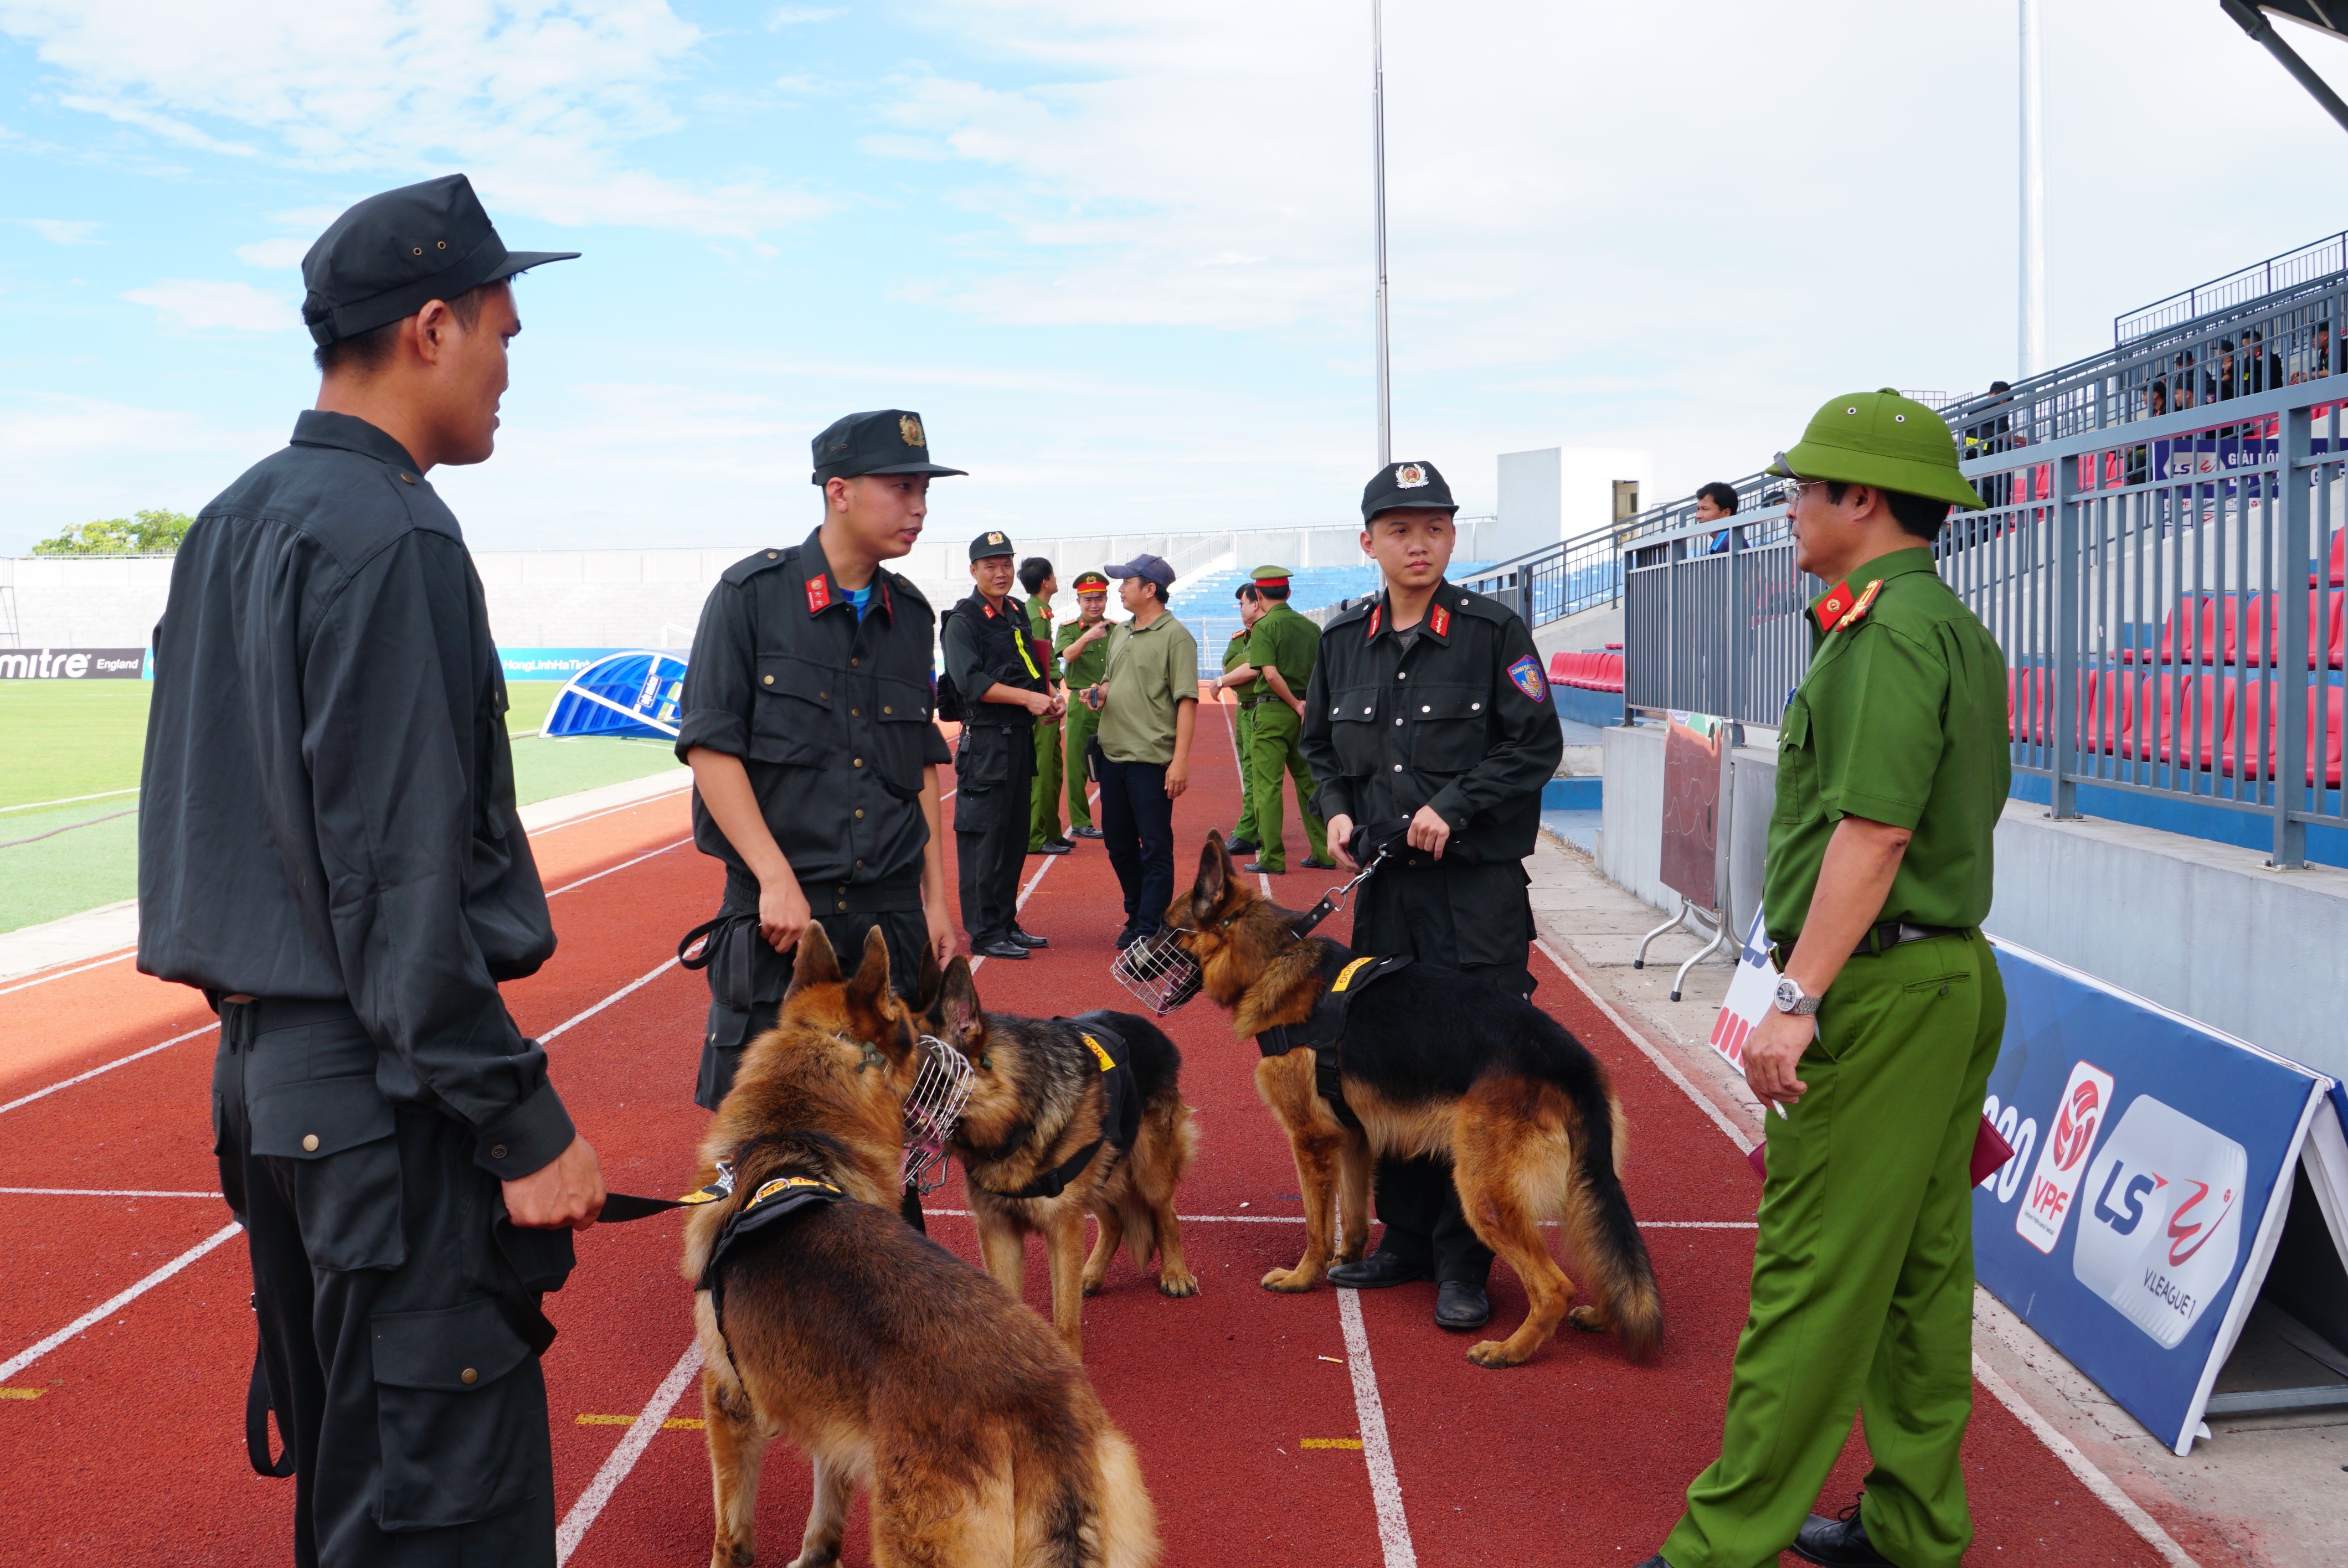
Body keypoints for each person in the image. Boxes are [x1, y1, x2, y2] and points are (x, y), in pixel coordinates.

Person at [138, 174, 601, 1568]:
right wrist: (522, 1124)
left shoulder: (234, 519)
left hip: (274, 1094)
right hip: (387, 1099)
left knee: (358, 1490)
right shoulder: (393, 534)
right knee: (437, 1522)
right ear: (429, 328)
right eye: (505, 334)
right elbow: (397, 889)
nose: (514, 368)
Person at [1636, 391, 2008, 1568]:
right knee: (1915, 1273)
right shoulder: (1931, 622)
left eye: (1805, 489)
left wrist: (1793, 999)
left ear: (1863, 500)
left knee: (1810, 1275)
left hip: (1872, 993)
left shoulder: (1887, 634)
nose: (1790, 509)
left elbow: (1871, 833)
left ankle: (1716, 1545)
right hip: (1937, 979)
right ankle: (1911, 1524)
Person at [1303, 460, 1563, 1333]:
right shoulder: (1341, 642)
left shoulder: (1493, 634)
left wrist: (1452, 807)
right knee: (1389, 1064)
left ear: (1452, 538)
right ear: (1371, 542)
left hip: (1475, 899)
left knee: (1475, 1077)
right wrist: (1336, 814)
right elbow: (1320, 754)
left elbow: (1534, 746)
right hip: (1388, 901)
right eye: (1401, 530)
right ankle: (1406, 1239)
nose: (1420, 544)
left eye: (1436, 528)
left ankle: (1466, 1259)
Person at [674, 409, 961, 1110]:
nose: (919, 508)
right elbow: (711, 748)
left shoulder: (913, 616)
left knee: (879, 1150)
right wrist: (773, 878)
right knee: (761, 1154)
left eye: (925, 490)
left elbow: (918, 764)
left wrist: (937, 902)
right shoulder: (753, 598)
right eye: (901, 488)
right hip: (782, 928)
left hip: (885, 932)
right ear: (839, 491)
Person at [943, 532, 1061, 960]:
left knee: (1012, 838)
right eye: (990, 565)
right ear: (973, 571)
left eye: (1006, 564)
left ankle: (1005, 922)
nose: (1001, 573)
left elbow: (1028, 667)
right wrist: (1028, 699)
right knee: (983, 843)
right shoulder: (962, 621)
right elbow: (969, 682)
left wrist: (1047, 697)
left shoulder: (1015, 612)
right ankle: (984, 932)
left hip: (1018, 740)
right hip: (987, 743)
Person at [1075, 554, 1198, 947]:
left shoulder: (1176, 636)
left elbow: (1186, 701)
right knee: (1118, 844)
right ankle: (1138, 913)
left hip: (1151, 760)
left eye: (1127, 581)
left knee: (1156, 846)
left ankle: (1149, 927)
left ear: (1150, 589)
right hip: (1113, 757)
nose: (1120, 588)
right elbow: (1112, 681)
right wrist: (1097, 693)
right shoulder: (1120, 631)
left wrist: (1180, 762)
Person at [1228, 564, 1333, 874]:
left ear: (1258, 595)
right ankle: (1325, 853)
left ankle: (1272, 858)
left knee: (1267, 787)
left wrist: (1293, 703)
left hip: (1274, 712)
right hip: (1306, 713)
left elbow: (1270, 675)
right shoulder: (1310, 628)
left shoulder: (1264, 627)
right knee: (1308, 784)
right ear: (1288, 592)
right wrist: (1304, 706)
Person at [1019, 556, 1075, 858]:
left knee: (1053, 767)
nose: (1056, 580)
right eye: (1053, 576)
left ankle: (1051, 830)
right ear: (1046, 582)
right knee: (1042, 770)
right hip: (1042, 700)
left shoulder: (1038, 612)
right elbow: (1037, 665)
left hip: (1044, 696)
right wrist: (1054, 697)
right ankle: (1036, 836)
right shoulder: (1037, 616)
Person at [1055, 569, 1114, 839]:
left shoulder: (1118, 630)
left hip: (1111, 704)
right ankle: (1080, 822)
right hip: (1081, 703)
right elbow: (1068, 655)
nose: (1094, 605)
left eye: (1099, 599)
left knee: (1116, 763)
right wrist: (1089, 636)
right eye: (1088, 599)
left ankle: (1117, 819)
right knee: (1078, 767)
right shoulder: (1068, 630)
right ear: (1079, 602)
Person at [1218, 582, 1268, 856]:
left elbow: (1252, 669)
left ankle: (1251, 830)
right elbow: (1228, 664)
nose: (1240, 609)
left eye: (1242, 604)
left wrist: (1224, 681)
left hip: (1262, 708)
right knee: (1252, 770)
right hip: (1244, 708)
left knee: (1255, 772)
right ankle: (1259, 825)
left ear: (1255, 603)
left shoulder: (1267, 633)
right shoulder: (1239, 638)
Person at [1696, 481, 1740, 553]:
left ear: (1726, 513)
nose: (1698, 516)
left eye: (1705, 509)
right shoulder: (1724, 541)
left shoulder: (1732, 542)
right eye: (1698, 509)